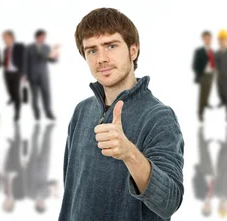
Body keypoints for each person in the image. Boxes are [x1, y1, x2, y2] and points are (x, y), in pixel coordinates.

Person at [60, 8, 184, 220]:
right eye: (92, 50)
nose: (102, 58)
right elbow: (71, 193)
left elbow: (169, 202)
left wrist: (129, 153)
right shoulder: (82, 112)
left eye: (111, 46)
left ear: (133, 51)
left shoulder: (159, 117)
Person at [23, 29, 59, 121]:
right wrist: (25, 75)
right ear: (37, 37)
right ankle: (37, 115)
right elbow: (25, 62)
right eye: (42, 37)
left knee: (46, 94)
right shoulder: (29, 48)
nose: (43, 39)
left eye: (44, 37)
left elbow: (51, 60)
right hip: (32, 75)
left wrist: (55, 55)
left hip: (44, 75)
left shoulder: (46, 47)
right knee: (34, 96)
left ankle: (48, 113)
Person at [2, 30, 26, 121]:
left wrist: (24, 73)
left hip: (16, 73)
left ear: (11, 37)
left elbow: (24, 59)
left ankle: (17, 112)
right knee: (9, 89)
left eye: (6, 37)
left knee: (16, 92)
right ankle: (12, 97)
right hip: (7, 72)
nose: (5, 40)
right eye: (4, 38)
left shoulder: (19, 47)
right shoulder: (5, 49)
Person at [192, 31, 215, 122]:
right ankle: (200, 113)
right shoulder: (199, 51)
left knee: (208, 91)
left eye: (209, 38)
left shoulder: (212, 51)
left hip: (211, 74)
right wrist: (200, 73)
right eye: (206, 38)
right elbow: (195, 65)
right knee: (202, 95)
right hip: (203, 75)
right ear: (203, 39)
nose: (208, 40)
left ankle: (206, 103)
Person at [193, 126, 215, 217]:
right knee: (209, 154)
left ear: (203, 207)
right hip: (213, 172)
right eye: (208, 209)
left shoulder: (199, 196)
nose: (207, 207)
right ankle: (206, 141)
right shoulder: (214, 196)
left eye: (205, 209)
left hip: (203, 172)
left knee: (202, 152)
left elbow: (195, 182)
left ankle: (200, 133)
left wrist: (199, 173)